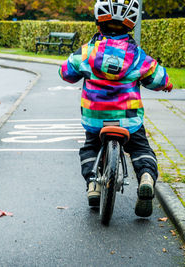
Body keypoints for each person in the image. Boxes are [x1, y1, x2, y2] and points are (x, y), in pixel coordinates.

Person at [58, 0, 173, 217]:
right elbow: (158, 78)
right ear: (131, 26)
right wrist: (165, 84)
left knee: (90, 147)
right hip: (128, 119)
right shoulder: (138, 57)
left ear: (98, 24)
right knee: (140, 149)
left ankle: (93, 184)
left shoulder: (87, 53)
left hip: (95, 118)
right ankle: (146, 177)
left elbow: (66, 72)